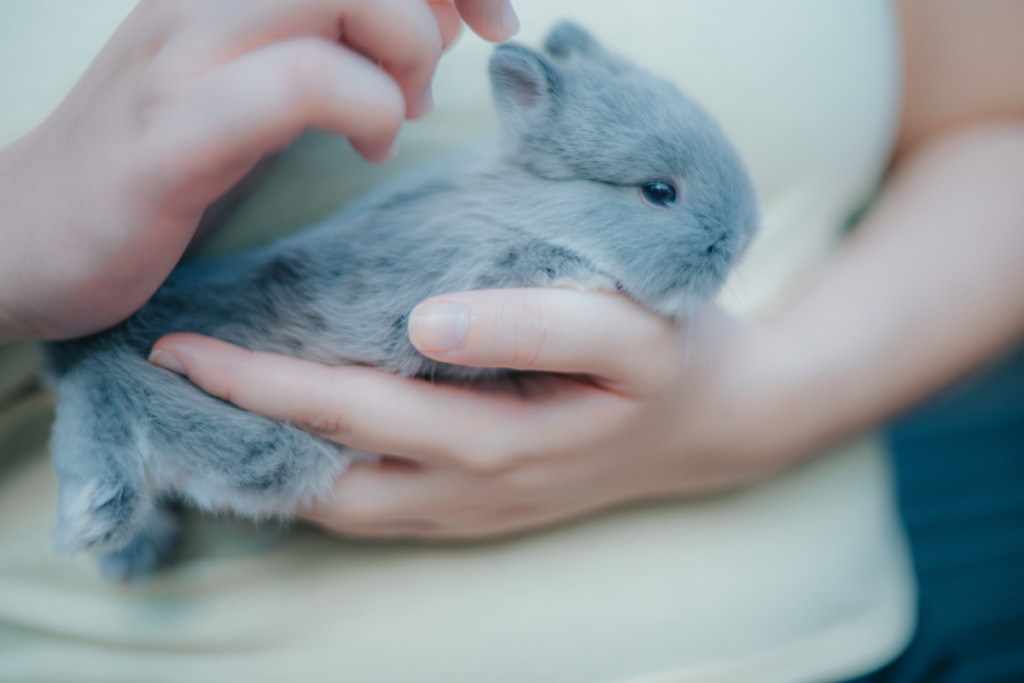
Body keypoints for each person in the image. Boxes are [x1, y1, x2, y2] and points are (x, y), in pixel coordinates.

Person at [0, 0, 1021, 681]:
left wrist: (771, 395)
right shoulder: (491, 228)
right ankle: (119, 408)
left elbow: (999, 117)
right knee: (269, 438)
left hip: (829, 648)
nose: (724, 237)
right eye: (659, 197)